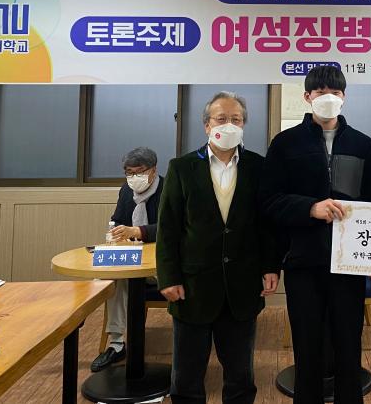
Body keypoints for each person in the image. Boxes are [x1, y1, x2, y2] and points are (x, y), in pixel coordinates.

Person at [260, 65, 371, 404]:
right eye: (320, 92)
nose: (328, 98)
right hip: (303, 260)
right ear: (307, 97)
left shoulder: (363, 144)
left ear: (344, 97)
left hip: (351, 263)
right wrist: (310, 208)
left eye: (335, 92)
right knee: (307, 346)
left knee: (349, 344)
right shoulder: (286, 143)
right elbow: (269, 201)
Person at [156, 92, 280, 404]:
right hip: (192, 286)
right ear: (207, 125)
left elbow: (266, 224)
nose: (229, 124)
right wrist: (168, 277)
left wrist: (270, 266)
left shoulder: (258, 166)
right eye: (221, 118)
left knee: (240, 376)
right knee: (186, 376)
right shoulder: (181, 167)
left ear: (244, 124)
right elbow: (168, 228)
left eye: (236, 119)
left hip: (243, 285)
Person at [91, 147, 164, 372]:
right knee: (113, 277)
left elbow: (172, 227)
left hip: (161, 265)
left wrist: (138, 231)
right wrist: (115, 231)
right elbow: (117, 220)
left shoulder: (169, 188)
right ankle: (116, 344)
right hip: (132, 258)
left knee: (118, 278)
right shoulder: (126, 191)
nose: (134, 178)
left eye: (139, 172)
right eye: (129, 173)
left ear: (153, 170)